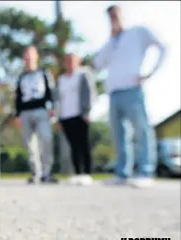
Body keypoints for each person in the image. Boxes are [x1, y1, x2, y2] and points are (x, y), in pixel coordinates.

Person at [93, 5, 166, 188]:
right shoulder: (112, 42)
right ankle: (122, 173)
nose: (114, 19)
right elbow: (98, 63)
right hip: (114, 92)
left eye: (116, 15)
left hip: (132, 89)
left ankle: (145, 172)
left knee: (142, 130)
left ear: (123, 15)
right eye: (110, 17)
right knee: (119, 135)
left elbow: (163, 47)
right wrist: (111, 39)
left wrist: (150, 73)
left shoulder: (138, 32)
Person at [14, 45, 58, 184]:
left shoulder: (44, 73)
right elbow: (18, 97)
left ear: (36, 56)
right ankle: (36, 173)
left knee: (46, 139)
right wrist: (18, 114)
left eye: (31, 54)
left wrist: (53, 107)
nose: (28, 57)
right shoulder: (21, 77)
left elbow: (51, 91)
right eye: (26, 55)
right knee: (29, 144)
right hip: (25, 113)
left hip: (41, 110)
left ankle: (47, 172)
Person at [56, 53, 98, 185]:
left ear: (78, 61)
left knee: (83, 144)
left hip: (80, 115)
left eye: (72, 60)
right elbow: (58, 98)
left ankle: (87, 173)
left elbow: (90, 93)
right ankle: (78, 173)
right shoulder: (61, 79)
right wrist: (58, 116)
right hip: (65, 116)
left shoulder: (83, 74)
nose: (69, 63)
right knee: (73, 145)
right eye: (67, 61)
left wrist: (87, 111)